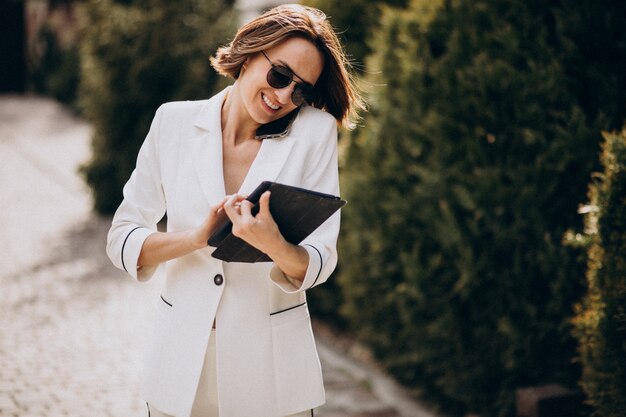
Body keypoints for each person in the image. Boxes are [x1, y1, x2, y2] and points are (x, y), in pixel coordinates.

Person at [106, 4, 364, 417]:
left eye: (300, 90)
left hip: (272, 376)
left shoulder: (314, 133)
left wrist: (274, 244)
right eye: (280, 75)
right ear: (249, 51)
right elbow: (122, 238)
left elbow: (320, 259)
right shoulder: (172, 123)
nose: (283, 96)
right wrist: (194, 238)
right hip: (179, 367)